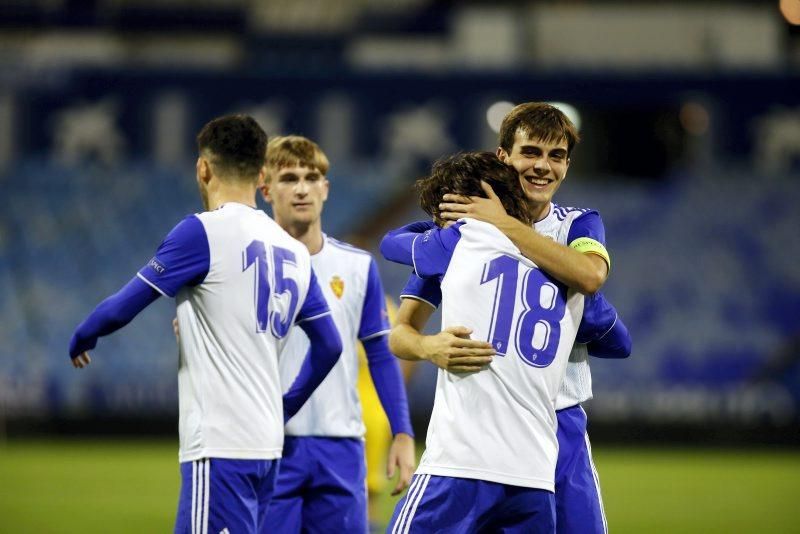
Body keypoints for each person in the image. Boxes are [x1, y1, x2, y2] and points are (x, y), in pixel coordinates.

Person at [68, 115, 343, 534]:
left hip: (221, 445)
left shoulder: (200, 233)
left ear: (203, 167)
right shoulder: (293, 250)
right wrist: (285, 405)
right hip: (268, 447)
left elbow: (123, 307)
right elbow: (329, 345)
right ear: (260, 173)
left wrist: (83, 333)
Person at [386, 103, 630, 534]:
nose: (542, 166)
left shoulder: (577, 224)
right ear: (503, 157)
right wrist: (429, 347)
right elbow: (401, 334)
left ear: (568, 166)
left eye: (556, 156)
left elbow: (592, 277)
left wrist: (502, 225)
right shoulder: (462, 233)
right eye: (530, 152)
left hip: (559, 423)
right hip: (483, 422)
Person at [258, 135, 415, 533]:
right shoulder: (250, 264)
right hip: (271, 443)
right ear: (265, 189)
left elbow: (380, 354)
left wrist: (402, 431)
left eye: (312, 178)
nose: (301, 188)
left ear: (325, 189)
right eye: (289, 178)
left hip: (342, 445)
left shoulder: (357, 266)